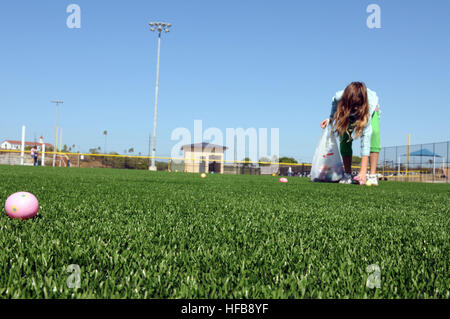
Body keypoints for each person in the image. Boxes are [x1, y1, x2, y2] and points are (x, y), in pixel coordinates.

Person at [320, 82, 381, 186]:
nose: (356, 108)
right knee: (344, 135)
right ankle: (347, 174)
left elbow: (365, 138)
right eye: (354, 104)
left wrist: (362, 171)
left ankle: (372, 175)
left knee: (374, 134)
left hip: (370, 110)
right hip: (347, 109)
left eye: (358, 104)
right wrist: (330, 118)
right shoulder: (340, 96)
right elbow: (334, 103)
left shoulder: (370, 104)